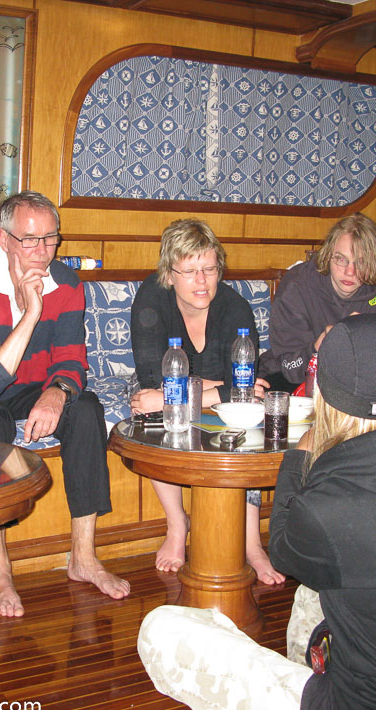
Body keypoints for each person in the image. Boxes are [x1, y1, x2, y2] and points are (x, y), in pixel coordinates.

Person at [139, 314, 376, 710]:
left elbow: (283, 548)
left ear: (323, 392)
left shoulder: (332, 505)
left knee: (160, 629)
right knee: (315, 590)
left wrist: (298, 457)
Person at [0, 190, 129, 618]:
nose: (42, 251)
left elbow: (71, 360)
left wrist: (58, 392)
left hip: (28, 384)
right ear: (4, 239)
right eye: (29, 239)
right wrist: (30, 313)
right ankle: (0, 569)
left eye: (50, 238)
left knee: (86, 409)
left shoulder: (67, 283)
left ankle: (83, 556)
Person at [130, 218, 281, 584]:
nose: (202, 281)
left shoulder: (235, 308)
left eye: (210, 269)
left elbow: (242, 392)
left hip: (206, 400)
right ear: (170, 274)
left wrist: (203, 391)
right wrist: (217, 388)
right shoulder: (151, 298)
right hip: (179, 397)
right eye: (190, 271)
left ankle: (251, 541)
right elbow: (153, 381)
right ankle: (177, 523)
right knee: (148, 412)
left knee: (247, 418)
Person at [261, 213, 376, 391]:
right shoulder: (297, 285)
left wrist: (364, 337)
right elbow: (290, 368)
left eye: (361, 262)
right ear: (328, 255)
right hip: (293, 379)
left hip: (358, 384)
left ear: (374, 262)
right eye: (341, 259)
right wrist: (318, 348)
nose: (350, 272)